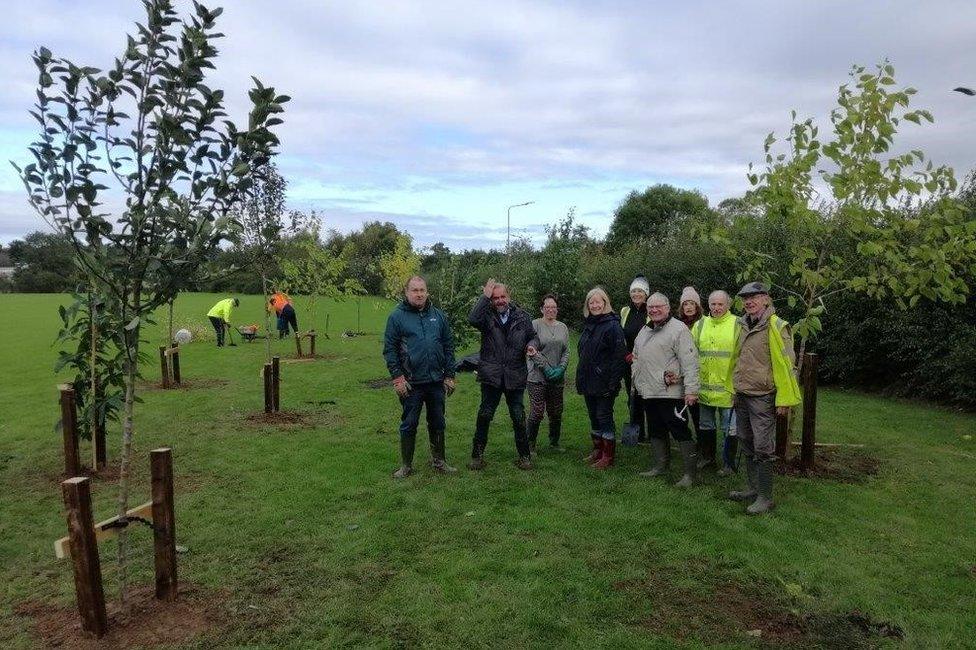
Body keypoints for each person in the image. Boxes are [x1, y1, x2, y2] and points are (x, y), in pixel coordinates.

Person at [727, 282, 801, 515]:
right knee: (745, 440)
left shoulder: (777, 326)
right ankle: (753, 488)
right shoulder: (741, 324)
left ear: (766, 299)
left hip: (764, 396)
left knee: (762, 446)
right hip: (742, 394)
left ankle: (766, 497)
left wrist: (784, 399)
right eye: (745, 298)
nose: (749, 302)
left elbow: (788, 365)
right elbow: (736, 359)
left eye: (754, 297)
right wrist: (733, 389)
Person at [382, 276, 458, 478]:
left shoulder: (438, 316)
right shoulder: (396, 317)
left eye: (422, 290)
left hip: (435, 381)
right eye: (414, 290)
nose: (419, 294)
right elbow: (390, 350)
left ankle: (439, 461)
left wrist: (449, 375)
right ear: (406, 293)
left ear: (427, 292)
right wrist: (397, 378)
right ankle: (406, 466)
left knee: (438, 422)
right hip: (410, 383)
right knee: (409, 423)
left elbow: (449, 347)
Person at [468, 279, 539, 471]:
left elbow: (533, 335)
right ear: (491, 300)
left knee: (518, 416)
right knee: (485, 415)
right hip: (491, 375)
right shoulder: (486, 316)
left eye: (502, 296)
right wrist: (484, 295)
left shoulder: (523, 317)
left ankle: (524, 457)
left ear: (509, 296)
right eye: (495, 297)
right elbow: (472, 318)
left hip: (515, 374)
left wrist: (531, 345)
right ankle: (477, 456)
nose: (499, 300)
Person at [632, 292, 700, 486]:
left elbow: (690, 362)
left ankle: (689, 475)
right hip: (649, 391)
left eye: (658, 306)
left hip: (670, 391)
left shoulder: (678, 329)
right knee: (655, 428)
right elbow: (636, 356)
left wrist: (691, 390)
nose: (654, 310)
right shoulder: (645, 330)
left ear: (668, 308)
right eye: (651, 307)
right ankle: (660, 466)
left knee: (678, 429)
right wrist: (636, 379)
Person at [577, 287, 628, 469]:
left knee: (604, 416)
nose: (595, 305)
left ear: (605, 303)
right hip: (589, 380)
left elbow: (619, 357)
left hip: (605, 382)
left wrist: (613, 383)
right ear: (587, 305)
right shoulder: (590, 324)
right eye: (591, 302)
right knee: (593, 417)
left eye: (598, 302)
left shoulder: (613, 325)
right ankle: (597, 451)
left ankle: (608, 456)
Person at [691, 290, 738, 475]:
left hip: (728, 389)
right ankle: (708, 458)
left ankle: (728, 464)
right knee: (706, 426)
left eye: (720, 304)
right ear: (708, 305)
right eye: (713, 304)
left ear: (728, 305)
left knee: (730, 429)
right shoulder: (700, 325)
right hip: (704, 389)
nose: (716, 308)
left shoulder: (738, 324)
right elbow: (691, 353)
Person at [526, 294, 569, 452]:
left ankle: (554, 442)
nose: (550, 310)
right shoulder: (534, 325)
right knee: (537, 413)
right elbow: (531, 349)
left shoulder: (563, 327)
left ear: (557, 309)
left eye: (553, 307)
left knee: (556, 412)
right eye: (547, 307)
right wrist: (546, 368)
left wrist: (561, 368)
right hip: (537, 377)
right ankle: (530, 445)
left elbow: (566, 351)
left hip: (557, 378)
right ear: (542, 309)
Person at [619, 275, 650, 442]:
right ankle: (637, 433)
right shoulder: (625, 311)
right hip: (628, 360)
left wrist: (639, 356)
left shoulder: (651, 310)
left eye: (640, 291)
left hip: (646, 361)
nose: (636, 294)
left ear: (646, 294)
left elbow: (653, 337)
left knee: (647, 397)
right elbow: (620, 335)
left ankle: (654, 433)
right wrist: (626, 354)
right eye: (633, 291)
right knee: (632, 396)